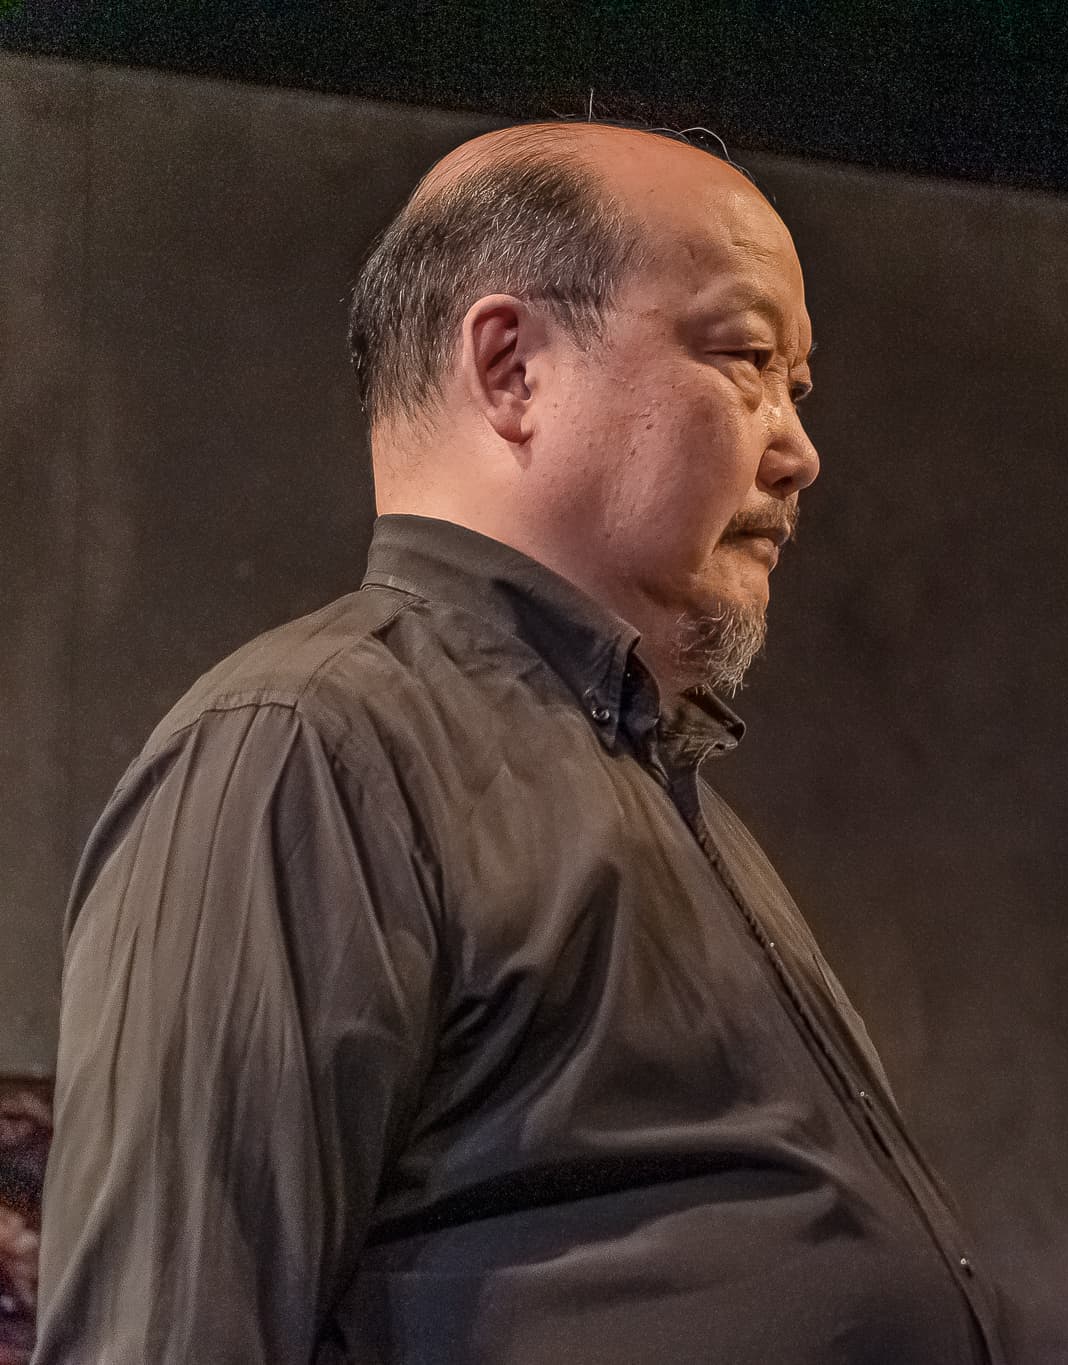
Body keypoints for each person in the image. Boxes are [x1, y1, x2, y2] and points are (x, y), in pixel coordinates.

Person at [34, 123, 1004, 1365]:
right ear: (512, 367)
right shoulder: (304, 747)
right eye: (747, 359)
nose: (796, 450)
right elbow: (163, 1335)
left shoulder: (648, 779)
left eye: (795, 389)